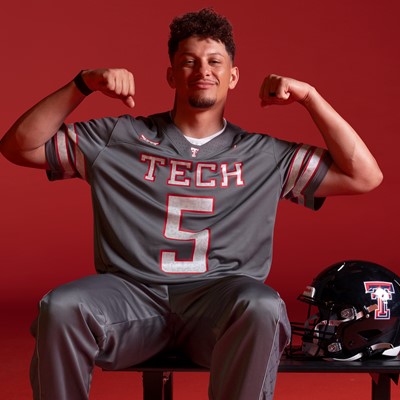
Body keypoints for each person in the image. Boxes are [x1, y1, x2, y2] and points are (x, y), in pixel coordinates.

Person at [0, 8, 382, 400]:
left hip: (217, 307)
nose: (203, 70)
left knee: (262, 305)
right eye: (188, 62)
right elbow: (18, 146)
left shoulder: (262, 154)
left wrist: (309, 97)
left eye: (215, 61)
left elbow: (364, 176)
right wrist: (82, 84)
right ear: (171, 75)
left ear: (233, 76)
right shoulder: (119, 137)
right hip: (132, 299)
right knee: (62, 307)